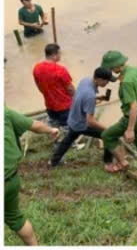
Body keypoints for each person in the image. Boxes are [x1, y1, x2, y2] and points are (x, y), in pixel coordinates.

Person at [5, 107, 60, 244]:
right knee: (15, 218)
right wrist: (51, 130)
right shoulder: (4, 111)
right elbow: (35, 125)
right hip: (11, 179)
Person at [48, 66, 113, 167]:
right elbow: (90, 121)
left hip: (73, 118)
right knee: (108, 136)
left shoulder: (85, 80)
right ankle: (108, 162)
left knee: (68, 140)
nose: (107, 83)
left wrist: (96, 98)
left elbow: (80, 96)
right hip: (81, 124)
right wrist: (108, 129)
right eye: (107, 81)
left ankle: (53, 162)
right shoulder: (90, 96)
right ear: (99, 79)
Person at [99, 49, 137, 173]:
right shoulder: (135, 70)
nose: (110, 71)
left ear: (116, 66)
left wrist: (130, 129)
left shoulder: (126, 82)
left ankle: (123, 161)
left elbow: (133, 106)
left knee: (107, 135)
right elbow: (134, 85)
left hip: (132, 117)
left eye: (111, 68)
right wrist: (117, 78)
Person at [31, 45, 73, 128]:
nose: (60, 55)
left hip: (49, 106)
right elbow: (70, 89)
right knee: (68, 129)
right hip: (65, 107)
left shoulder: (37, 68)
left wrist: (48, 94)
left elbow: (39, 86)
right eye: (59, 53)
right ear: (55, 55)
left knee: (55, 127)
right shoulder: (61, 70)